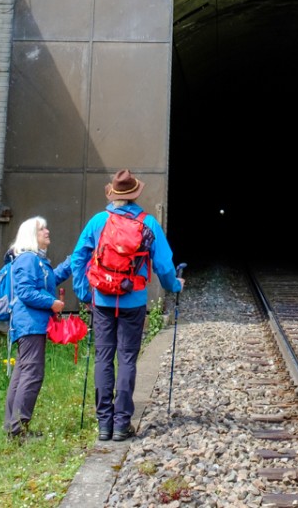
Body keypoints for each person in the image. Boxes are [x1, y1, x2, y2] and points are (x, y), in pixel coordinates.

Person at [70, 169, 183, 443]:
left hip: (103, 300)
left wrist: (85, 293)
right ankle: (122, 424)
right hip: (133, 302)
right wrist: (175, 285)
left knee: (103, 358)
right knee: (128, 358)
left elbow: (77, 259)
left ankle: (104, 425)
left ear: (113, 194)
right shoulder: (149, 224)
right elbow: (165, 267)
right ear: (135, 194)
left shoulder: (98, 221)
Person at [3, 215, 70, 440]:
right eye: (42, 229)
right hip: (30, 324)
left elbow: (50, 280)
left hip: (29, 324)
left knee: (22, 373)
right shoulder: (28, 259)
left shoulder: (35, 260)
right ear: (32, 235)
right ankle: (19, 429)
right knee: (32, 374)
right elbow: (26, 292)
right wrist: (52, 303)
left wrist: (71, 262)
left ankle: (12, 426)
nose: (47, 231)